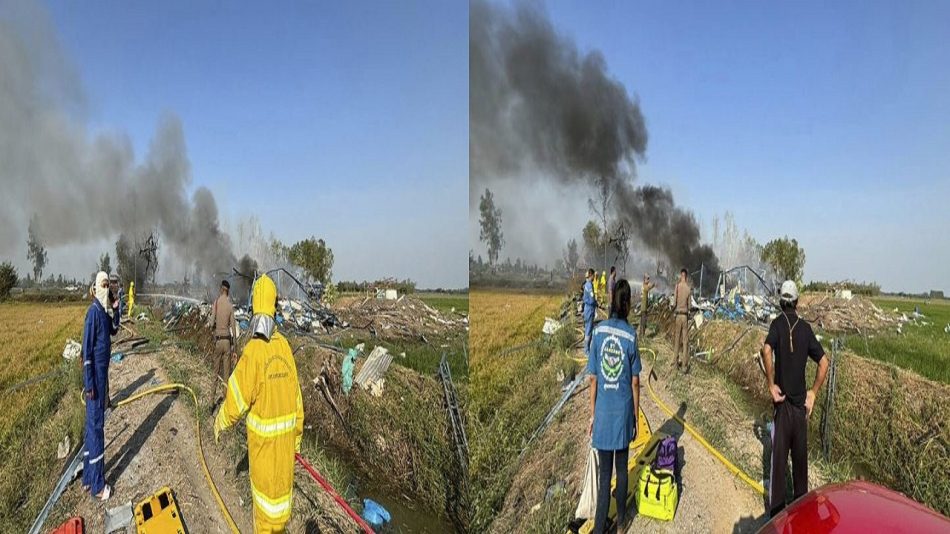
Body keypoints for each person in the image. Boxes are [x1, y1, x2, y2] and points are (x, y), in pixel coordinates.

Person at [215, 274, 304, 533]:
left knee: (264, 523)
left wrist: (220, 420)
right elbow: (298, 404)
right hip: (285, 462)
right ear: (274, 307)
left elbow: (236, 399)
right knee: (281, 519)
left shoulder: (254, 352)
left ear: (254, 306)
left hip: (264, 460)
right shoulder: (285, 348)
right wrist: (296, 443)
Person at [762, 280, 829, 517]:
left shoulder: (778, 325)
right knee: (801, 472)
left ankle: (778, 521)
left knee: (778, 469)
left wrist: (771, 385)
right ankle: (802, 521)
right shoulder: (805, 329)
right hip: (801, 411)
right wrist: (813, 393)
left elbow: (766, 350)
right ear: (797, 302)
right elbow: (824, 362)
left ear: (781, 301)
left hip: (782, 408)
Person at [587, 279, 641, 533]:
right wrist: (636, 418)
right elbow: (635, 382)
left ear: (612, 301)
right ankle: (621, 523)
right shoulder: (631, 335)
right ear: (628, 303)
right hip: (622, 415)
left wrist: (592, 416)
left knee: (604, 477)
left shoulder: (597, 332)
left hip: (603, 415)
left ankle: (598, 528)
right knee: (622, 470)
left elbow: (594, 380)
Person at [81, 271, 120, 501]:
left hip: (101, 379)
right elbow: (86, 354)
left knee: (92, 428)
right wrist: (89, 385)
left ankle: (88, 477)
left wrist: (117, 308)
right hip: (94, 381)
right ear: (97, 287)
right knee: (96, 430)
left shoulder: (103, 313)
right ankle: (97, 485)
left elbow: (114, 329)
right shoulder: (93, 314)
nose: (107, 288)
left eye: (109, 285)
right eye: (103, 285)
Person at [211, 280, 238, 397]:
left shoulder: (216, 303)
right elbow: (233, 328)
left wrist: (215, 330)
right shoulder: (230, 306)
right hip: (227, 342)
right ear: (228, 291)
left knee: (215, 372)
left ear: (221, 289)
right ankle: (224, 401)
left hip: (218, 341)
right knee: (226, 375)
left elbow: (211, 323)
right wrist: (235, 349)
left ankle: (211, 402)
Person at [672, 268, 691, 372]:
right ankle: (684, 366)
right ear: (686, 276)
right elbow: (690, 306)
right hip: (685, 317)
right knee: (685, 341)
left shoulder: (677, 287)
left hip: (678, 316)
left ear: (681, 275)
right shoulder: (688, 288)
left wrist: (675, 307)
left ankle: (675, 363)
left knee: (677, 340)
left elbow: (674, 303)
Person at [583, 268, 598, 353]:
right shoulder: (589, 285)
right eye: (593, 275)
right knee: (588, 329)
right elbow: (592, 300)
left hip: (587, 309)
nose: (594, 277)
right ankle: (586, 350)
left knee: (587, 329)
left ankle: (587, 348)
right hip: (590, 310)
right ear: (591, 275)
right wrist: (595, 303)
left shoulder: (586, 284)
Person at [639, 273, 655, 339]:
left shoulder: (644, 286)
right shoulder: (644, 286)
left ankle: (641, 334)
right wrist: (653, 285)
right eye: (647, 279)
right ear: (644, 279)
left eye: (649, 279)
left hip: (644, 306)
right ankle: (642, 336)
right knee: (643, 321)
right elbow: (648, 288)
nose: (648, 280)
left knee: (643, 321)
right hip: (643, 307)